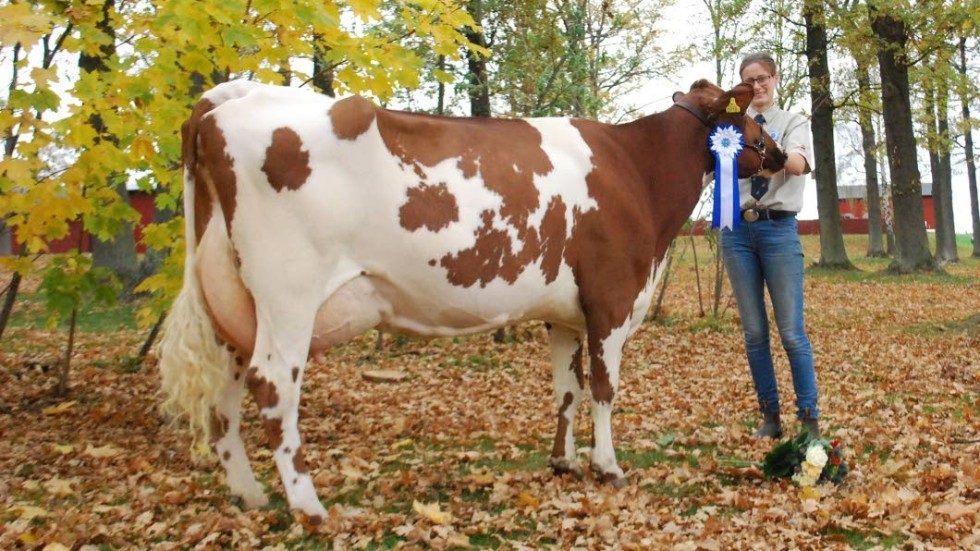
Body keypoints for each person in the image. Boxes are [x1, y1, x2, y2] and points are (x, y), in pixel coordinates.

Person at [722, 52, 820, 439]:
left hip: (778, 230)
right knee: (754, 333)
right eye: (749, 81)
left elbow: (796, 164)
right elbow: (718, 168)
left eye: (763, 78)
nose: (757, 86)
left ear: (775, 79)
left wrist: (761, 159)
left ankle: (809, 418)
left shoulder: (793, 121)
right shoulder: (731, 127)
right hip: (736, 233)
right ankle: (770, 416)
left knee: (792, 332)